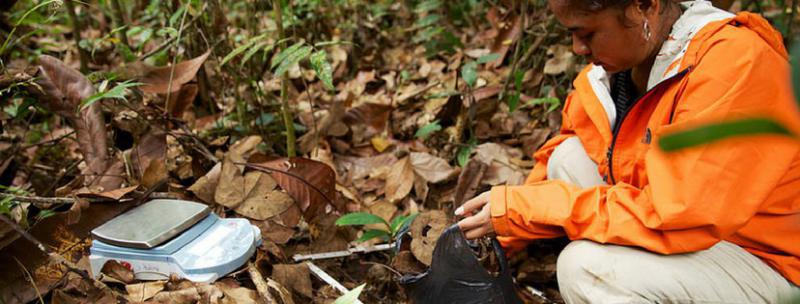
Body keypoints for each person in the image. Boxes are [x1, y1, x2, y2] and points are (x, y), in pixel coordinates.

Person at [455, 0, 800, 302]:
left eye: (587, 33)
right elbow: (565, 152)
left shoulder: (733, 64)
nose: (577, 48)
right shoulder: (615, 72)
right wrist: (501, 234)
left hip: (766, 259)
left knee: (586, 270)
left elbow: (680, 215)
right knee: (569, 158)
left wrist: (527, 208)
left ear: (643, 6)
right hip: (687, 229)